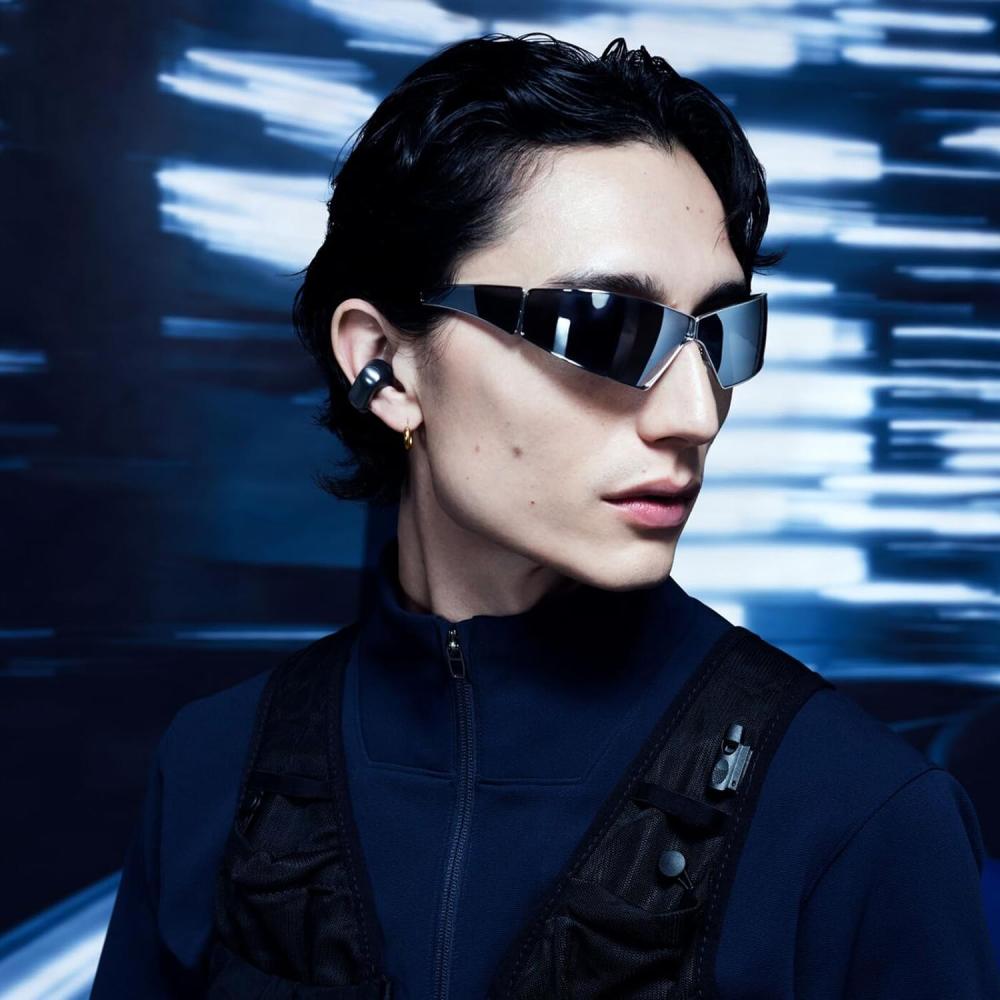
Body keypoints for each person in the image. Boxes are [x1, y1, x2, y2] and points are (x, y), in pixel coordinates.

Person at [91, 31, 1000, 999]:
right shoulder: (214, 768)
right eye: (601, 324)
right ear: (384, 365)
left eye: (719, 335)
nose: (695, 414)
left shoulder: (861, 815)